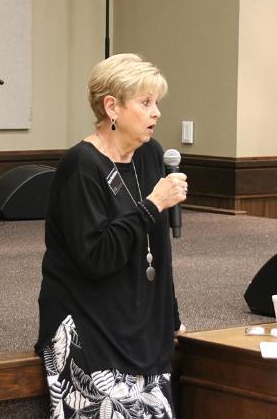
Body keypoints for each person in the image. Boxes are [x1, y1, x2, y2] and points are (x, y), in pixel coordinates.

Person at [35, 53, 187, 418]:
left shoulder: (150, 155)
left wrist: (171, 316)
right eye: (145, 103)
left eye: (157, 103)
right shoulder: (81, 166)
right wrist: (153, 205)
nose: (156, 113)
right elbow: (96, 258)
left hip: (141, 327)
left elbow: (157, 251)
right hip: (89, 328)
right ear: (111, 107)